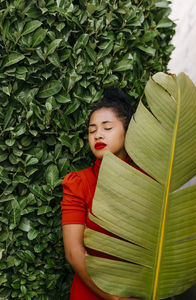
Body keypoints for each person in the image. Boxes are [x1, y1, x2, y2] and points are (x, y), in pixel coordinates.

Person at [61, 88, 140, 300]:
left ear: (127, 131)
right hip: (91, 292)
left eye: (107, 127)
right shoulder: (78, 183)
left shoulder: (149, 180)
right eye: (92, 130)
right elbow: (73, 252)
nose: (98, 135)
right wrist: (113, 297)